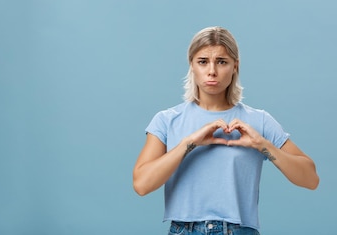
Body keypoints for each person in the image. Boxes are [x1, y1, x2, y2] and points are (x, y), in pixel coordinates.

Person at [132, 26, 319, 235]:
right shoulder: (167, 120)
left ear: (235, 66)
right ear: (192, 65)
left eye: (221, 62)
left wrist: (262, 145)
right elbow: (142, 185)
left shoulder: (259, 121)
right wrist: (189, 143)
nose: (212, 71)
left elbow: (310, 179)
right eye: (203, 61)